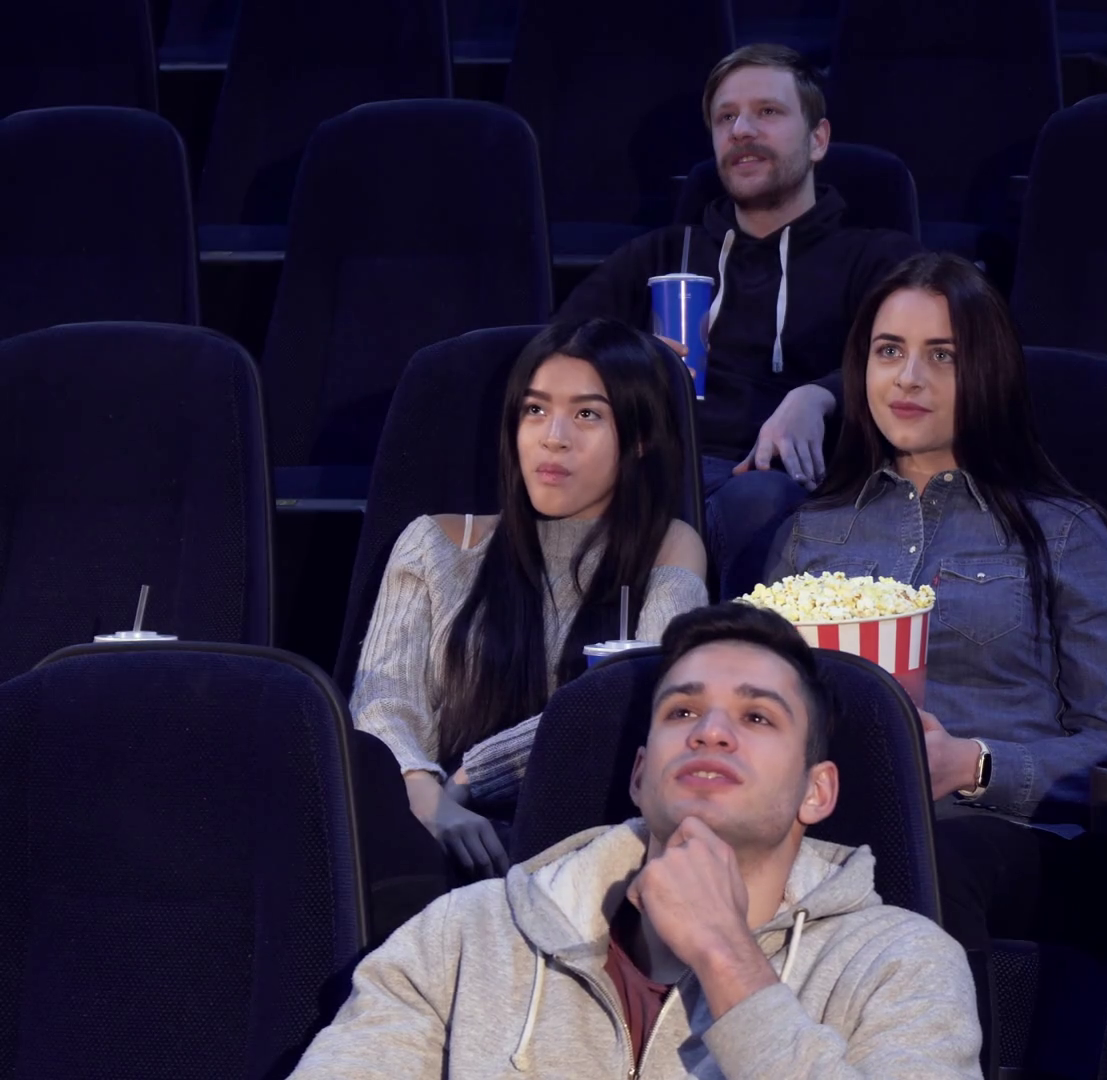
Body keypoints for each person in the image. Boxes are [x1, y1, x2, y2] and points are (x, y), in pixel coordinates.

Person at [295, 604, 983, 1079]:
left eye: (756, 716)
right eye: (682, 710)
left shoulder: (903, 965)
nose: (710, 731)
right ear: (640, 773)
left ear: (817, 791)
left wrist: (728, 959)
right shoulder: (464, 937)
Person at [767, 252, 1107, 954]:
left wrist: (973, 765)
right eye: (890, 352)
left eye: (943, 355)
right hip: (829, 816)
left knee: (925, 858)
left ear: (989, 372)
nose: (910, 379)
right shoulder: (806, 533)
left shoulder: (1064, 532)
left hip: (1004, 837)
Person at [351, 318, 709, 878]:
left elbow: (635, 699)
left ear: (638, 439)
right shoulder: (436, 542)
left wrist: (467, 782)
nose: (553, 436)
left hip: (584, 843)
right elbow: (381, 702)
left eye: (587, 414)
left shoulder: (669, 546)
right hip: (421, 830)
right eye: (535, 410)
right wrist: (425, 795)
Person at [556, 43, 920, 590]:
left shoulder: (876, 258)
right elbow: (560, 349)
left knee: (761, 499)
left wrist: (818, 396)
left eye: (767, 113)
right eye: (726, 118)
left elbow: (927, 357)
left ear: (818, 139)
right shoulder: (664, 255)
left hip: (793, 482)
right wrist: (634, 363)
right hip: (661, 466)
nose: (742, 130)